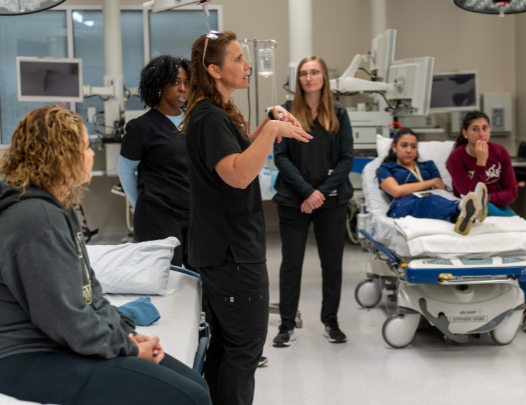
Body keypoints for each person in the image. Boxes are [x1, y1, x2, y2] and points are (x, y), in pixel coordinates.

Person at [0, 106, 211, 405]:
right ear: (63, 155)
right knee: (190, 398)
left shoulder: (60, 207)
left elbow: (89, 290)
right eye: (85, 147)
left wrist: (125, 333)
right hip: (24, 356)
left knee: (196, 387)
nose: (91, 154)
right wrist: (127, 349)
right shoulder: (35, 218)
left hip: (56, 342)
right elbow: (67, 320)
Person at [182, 31, 310, 405]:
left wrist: (267, 121)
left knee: (225, 347)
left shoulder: (213, 113)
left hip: (223, 249)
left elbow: (234, 154)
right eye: (238, 58)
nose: (247, 64)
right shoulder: (209, 117)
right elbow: (237, 175)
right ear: (213, 69)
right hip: (232, 253)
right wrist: (272, 130)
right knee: (245, 349)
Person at [446, 110, 526, 333]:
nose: (481, 133)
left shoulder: (500, 152)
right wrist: (480, 163)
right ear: (465, 133)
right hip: (469, 212)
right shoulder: (457, 158)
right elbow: (467, 194)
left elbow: (512, 191)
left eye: (485, 128)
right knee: (481, 205)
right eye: (475, 129)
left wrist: (491, 199)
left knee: (525, 250)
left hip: (497, 208)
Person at [270, 56, 354, 347]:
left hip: (330, 201)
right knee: (291, 263)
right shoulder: (285, 113)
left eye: (314, 72)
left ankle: (331, 322)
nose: (309, 77)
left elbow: (346, 160)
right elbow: (280, 157)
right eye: (304, 73)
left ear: (324, 77)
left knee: (332, 263)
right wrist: (308, 192)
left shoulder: (339, 114)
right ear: (299, 79)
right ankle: (286, 324)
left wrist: (320, 193)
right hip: (295, 199)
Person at [119, 55, 192, 268]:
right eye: (175, 82)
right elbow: (125, 170)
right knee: (167, 280)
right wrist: (141, 205)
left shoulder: (194, 121)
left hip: (193, 214)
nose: (182, 89)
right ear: (159, 86)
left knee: (198, 280)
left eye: (186, 83)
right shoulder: (142, 127)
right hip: (158, 217)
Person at [377, 128, 483, 235]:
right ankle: (463, 205)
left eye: (413, 146)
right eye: (404, 146)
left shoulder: (428, 165)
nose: (409, 150)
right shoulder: (386, 168)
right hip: (401, 205)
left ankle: (460, 217)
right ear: (394, 148)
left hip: (429, 200)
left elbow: (441, 188)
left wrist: (436, 184)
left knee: (434, 201)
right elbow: (397, 191)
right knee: (430, 201)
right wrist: (430, 182)